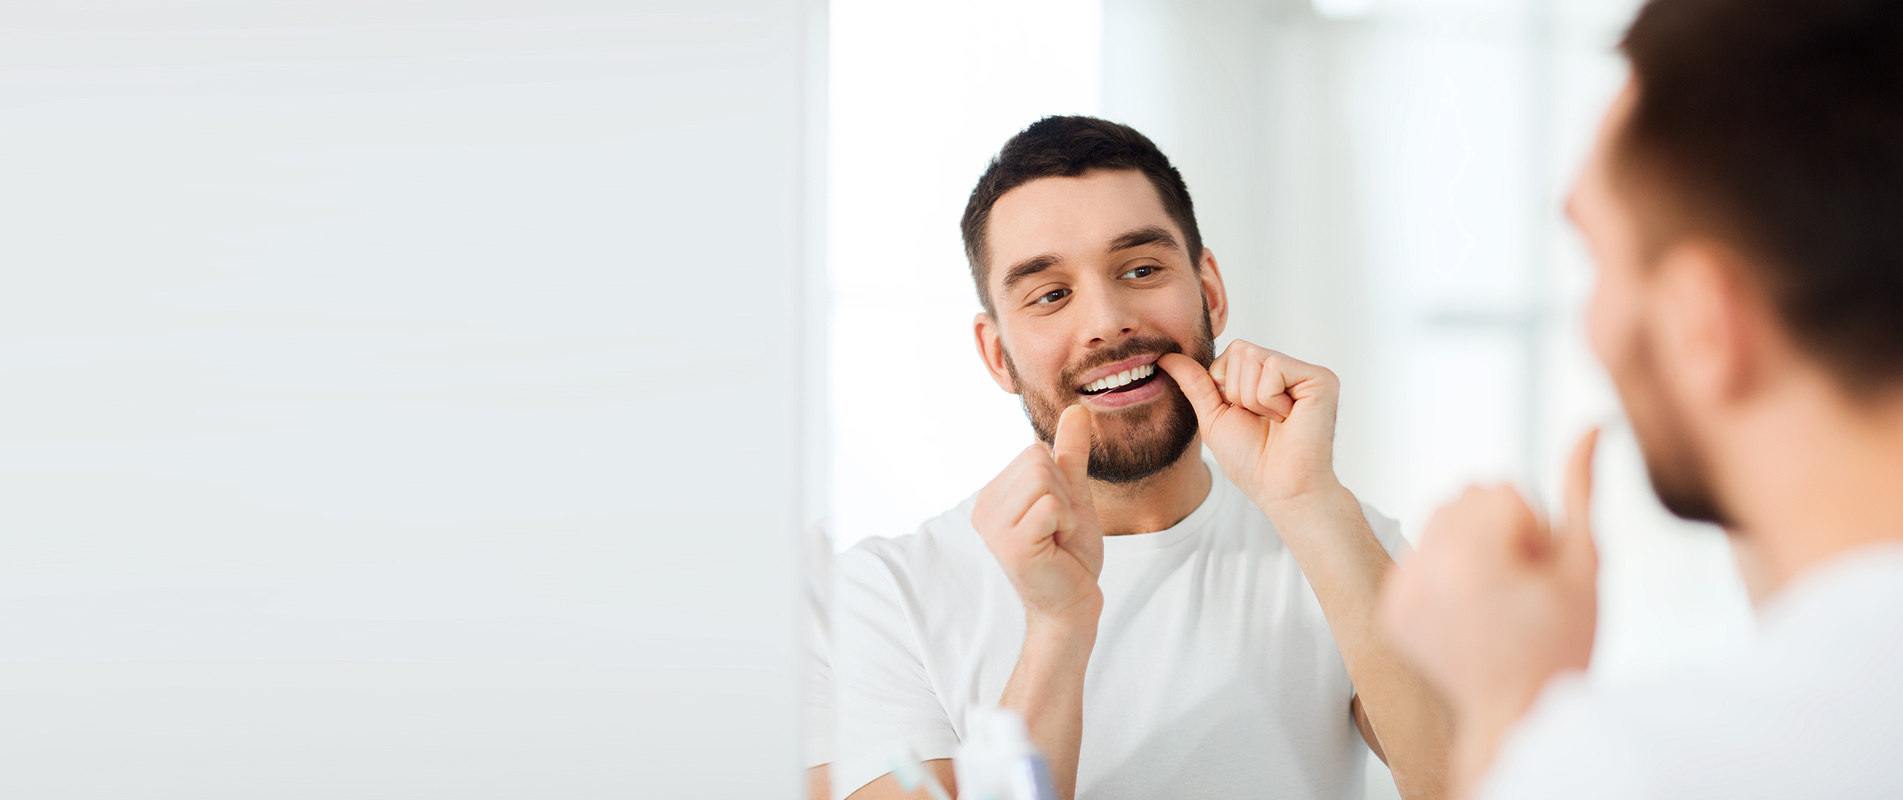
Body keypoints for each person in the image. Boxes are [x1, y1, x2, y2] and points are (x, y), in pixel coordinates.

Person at [828, 117, 1451, 800]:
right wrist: (1055, 632)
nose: (1106, 321)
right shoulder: (882, 598)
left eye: (1141, 270)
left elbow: (1466, 782)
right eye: (1050, 295)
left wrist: (1307, 504)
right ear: (996, 354)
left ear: (1209, 292)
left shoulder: (1348, 546)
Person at [1380, 0, 1903, 797]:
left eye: (1597, 258)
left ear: (1702, 327)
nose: (1591, 324)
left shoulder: (1644, 769)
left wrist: (1504, 715)